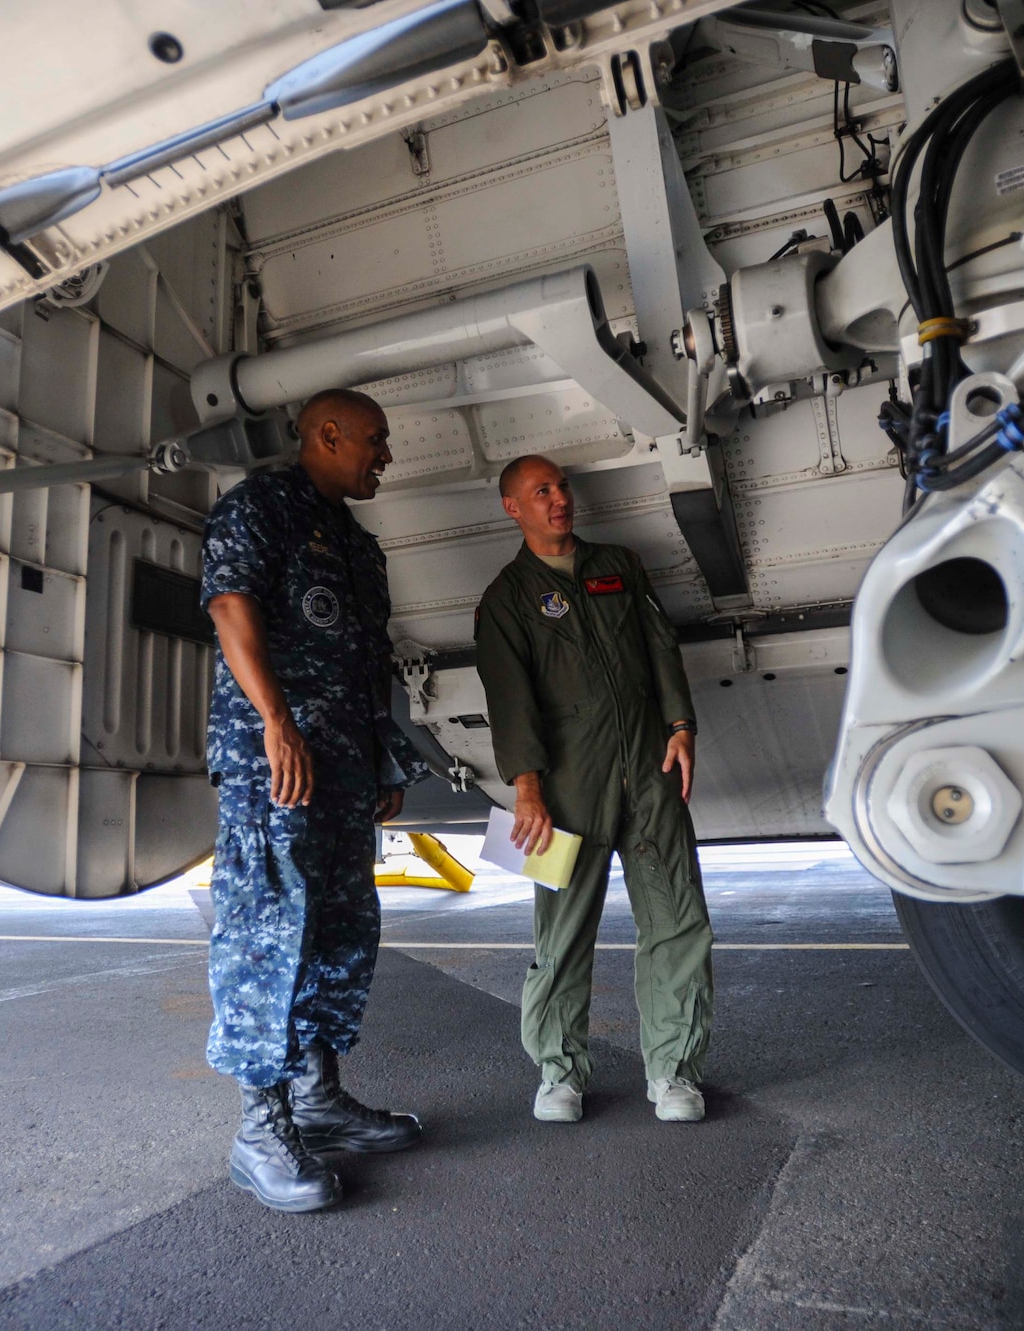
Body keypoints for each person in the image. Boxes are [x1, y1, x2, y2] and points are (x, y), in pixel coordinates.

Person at [200, 388, 429, 1214]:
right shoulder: (262, 506)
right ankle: (260, 1130)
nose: (385, 455)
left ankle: (318, 1098)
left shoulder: (358, 548)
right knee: (269, 932)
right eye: (376, 439)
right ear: (326, 434)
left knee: (338, 928)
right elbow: (231, 607)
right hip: (276, 764)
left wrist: (378, 758)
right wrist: (277, 724)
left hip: (341, 771)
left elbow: (367, 666)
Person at [474, 454, 714, 1124]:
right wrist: (526, 788)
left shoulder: (619, 565)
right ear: (513, 508)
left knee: (677, 921)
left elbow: (660, 644)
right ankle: (559, 1074)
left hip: (650, 769)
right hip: (561, 787)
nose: (560, 500)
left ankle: (674, 1071)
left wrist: (680, 723)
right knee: (560, 936)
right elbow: (510, 700)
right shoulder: (506, 598)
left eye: (563, 487)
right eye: (542, 491)